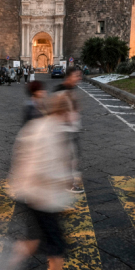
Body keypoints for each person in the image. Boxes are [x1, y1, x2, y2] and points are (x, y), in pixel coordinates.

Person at [9, 94, 79, 270]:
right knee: (57, 246)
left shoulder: (37, 126)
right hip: (41, 198)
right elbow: (45, 169)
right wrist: (67, 180)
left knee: (34, 240)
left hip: (30, 194)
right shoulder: (52, 132)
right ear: (64, 111)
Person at [54, 66, 83, 194]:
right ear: (69, 76)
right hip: (64, 131)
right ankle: (68, 184)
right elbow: (54, 111)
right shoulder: (61, 91)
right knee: (68, 159)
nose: (79, 78)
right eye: (76, 75)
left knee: (70, 159)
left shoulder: (71, 90)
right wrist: (68, 118)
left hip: (71, 130)